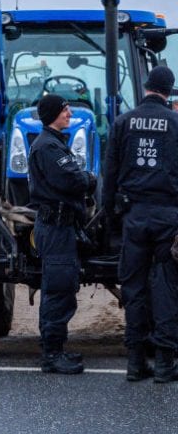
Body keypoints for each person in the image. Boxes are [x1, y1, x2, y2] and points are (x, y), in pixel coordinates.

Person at [103, 65, 178, 383]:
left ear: (147, 87)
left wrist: (109, 217)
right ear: (169, 91)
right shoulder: (175, 123)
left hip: (133, 217)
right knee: (166, 289)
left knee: (133, 290)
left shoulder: (122, 123)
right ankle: (164, 363)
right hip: (167, 219)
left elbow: (110, 174)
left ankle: (135, 363)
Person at [28, 93, 97, 375]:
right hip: (56, 228)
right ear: (53, 114)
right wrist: (90, 179)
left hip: (61, 226)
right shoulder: (48, 147)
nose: (69, 113)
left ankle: (56, 349)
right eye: (65, 109)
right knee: (58, 290)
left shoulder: (53, 143)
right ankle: (52, 355)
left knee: (61, 288)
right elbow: (73, 180)